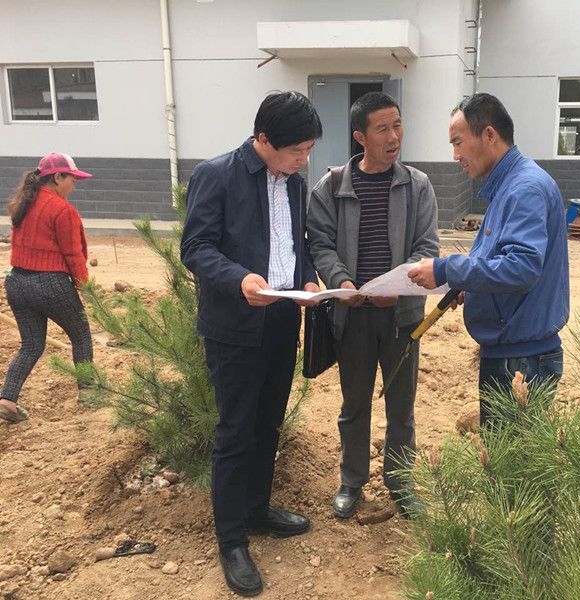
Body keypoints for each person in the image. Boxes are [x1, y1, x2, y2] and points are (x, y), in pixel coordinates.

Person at [180, 91, 322, 598]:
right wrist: (239, 278)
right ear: (263, 139)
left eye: (308, 150)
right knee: (235, 431)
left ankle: (258, 510)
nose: (303, 160)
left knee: (269, 425)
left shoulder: (295, 184)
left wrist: (307, 280)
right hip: (236, 328)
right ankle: (232, 540)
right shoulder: (217, 175)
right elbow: (195, 248)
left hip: (282, 319)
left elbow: (296, 246)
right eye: (296, 150)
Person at [307, 91, 439, 520]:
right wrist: (342, 282)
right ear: (360, 137)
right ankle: (352, 480)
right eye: (382, 128)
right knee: (355, 404)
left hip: (402, 316)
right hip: (353, 317)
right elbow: (320, 244)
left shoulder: (417, 186)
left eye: (397, 125)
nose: (394, 136)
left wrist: (399, 287)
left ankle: (400, 482)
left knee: (401, 405)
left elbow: (426, 246)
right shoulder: (331, 188)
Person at [409, 93, 569, 425]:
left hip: (522, 362)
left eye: (458, 143)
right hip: (515, 353)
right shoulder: (509, 186)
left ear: (490, 135)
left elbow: (522, 268)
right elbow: (500, 260)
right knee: (503, 453)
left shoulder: (524, 189)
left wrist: (446, 269)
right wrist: (472, 287)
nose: (455, 156)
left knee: (513, 457)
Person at [1, 153, 94, 424]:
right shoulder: (62, 210)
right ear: (57, 177)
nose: (74, 184)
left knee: (31, 345)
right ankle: (88, 393)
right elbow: (73, 255)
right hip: (51, 284)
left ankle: (7, 400)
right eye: (71, 179)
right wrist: (85, 287)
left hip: (18, 283)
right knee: (81, 335)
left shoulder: (22, 204)